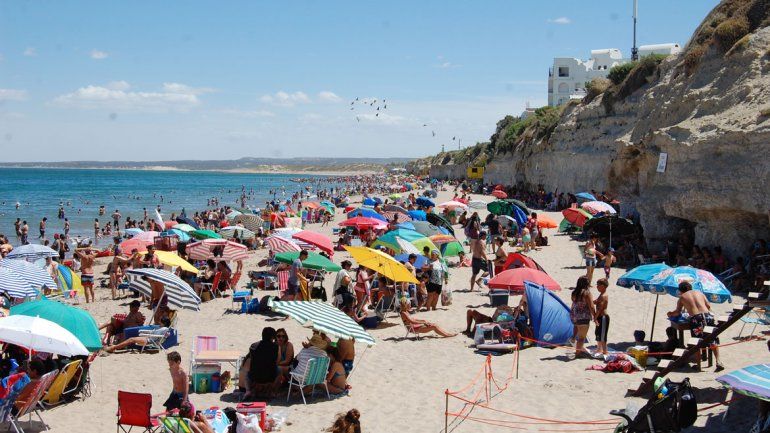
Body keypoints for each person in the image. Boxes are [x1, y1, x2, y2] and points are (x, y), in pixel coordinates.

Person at [667, 281, 724, 371]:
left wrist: (670, 313)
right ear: (690, 287)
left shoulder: (682, 297)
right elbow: (708, 306)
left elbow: (677, 312)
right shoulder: (700, 293)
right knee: (712, 338)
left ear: (680, 290)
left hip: (696, 319)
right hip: (708, 316)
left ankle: (699, 366)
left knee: (697, 342)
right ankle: (718, 361)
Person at [242, 327, 279, 397]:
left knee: (247, 372)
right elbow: (277, 361)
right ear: (272, 337)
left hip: (255, 377)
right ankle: (273, 392)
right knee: (280, 370)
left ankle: (248, 391)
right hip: (270, 377)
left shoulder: (253, 346)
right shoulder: (275, 347)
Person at [103, 317, 171, 353]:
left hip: (149, 340)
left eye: (161, 321)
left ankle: (113, 348)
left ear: (164, 323)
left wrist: (167, 333)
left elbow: (167, 333)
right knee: (131, 338)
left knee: (131, 339)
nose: (159, 322)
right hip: (148, 338)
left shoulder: (164, 328)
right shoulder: (162, 327)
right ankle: (115, 346)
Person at [570, 276, 596, 359]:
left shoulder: (574, 292)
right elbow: (591, 306)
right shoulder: (586, 293)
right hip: (584, 316)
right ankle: (578, 353)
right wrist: (595, 316)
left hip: (575, 315)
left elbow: (574, 303)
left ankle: (578, 349)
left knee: (580, 335)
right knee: (582, 337)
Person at [594, 278, 610, 356]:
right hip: (600, 317)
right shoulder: (601, 295)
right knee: (598, 333)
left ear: (603, 286)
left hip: (603, 317)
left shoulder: (603, 296)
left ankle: (605, 351)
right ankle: (599, 349)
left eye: (598, 285)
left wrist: (595, 318)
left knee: (603, 335)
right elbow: (596, 302)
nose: (597, 287)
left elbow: (599, 309)